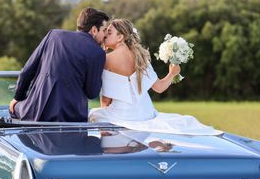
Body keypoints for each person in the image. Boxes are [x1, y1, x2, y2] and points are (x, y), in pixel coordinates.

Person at [89, 19, 222, 136]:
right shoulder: (141, 58)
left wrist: (105, 120)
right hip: (146, 114)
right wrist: (172, 73)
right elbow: (159, 88)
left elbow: (105, 100)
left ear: (120, 37)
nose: (105, 35)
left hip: (122, 115)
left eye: (109, 32)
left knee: (94, 115)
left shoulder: (105, 59)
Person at [9, 8, 110, 122]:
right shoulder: (98, 53)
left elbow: (27, 72)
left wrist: (17, 98)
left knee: (13, 108)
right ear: (94, 30)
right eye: (104, 30)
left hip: (36, 112)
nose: (105, 35)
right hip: (71, 118)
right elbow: (92, 93)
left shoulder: (54, 35)